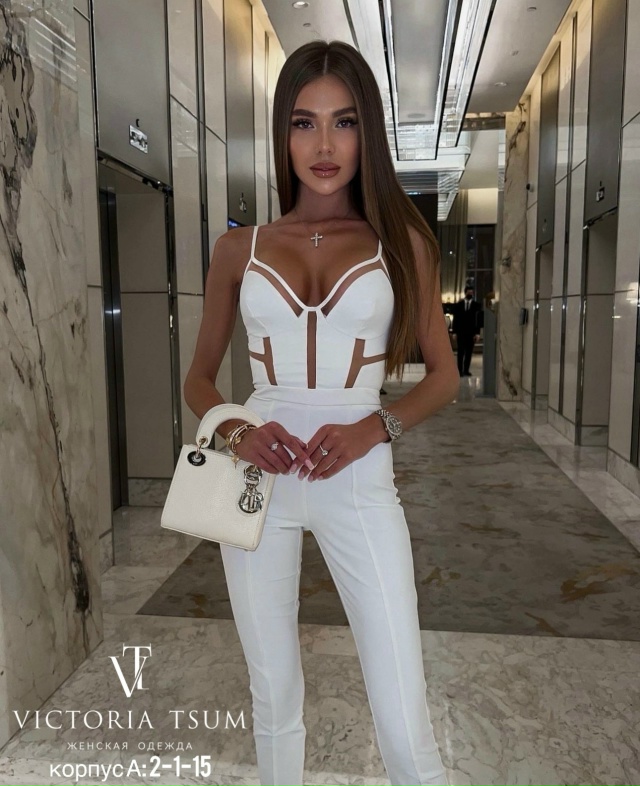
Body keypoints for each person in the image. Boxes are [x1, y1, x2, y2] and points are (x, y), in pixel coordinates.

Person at [184, 39, 458, 786]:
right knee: (272, 693)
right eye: (305, 123)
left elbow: (444, 377)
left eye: (344, 122)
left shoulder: (403, 243)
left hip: (360, 481)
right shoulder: (237, 249)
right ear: (283, 134)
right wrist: (236, 429)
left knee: (401, 704)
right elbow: (199, 379)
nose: (325, 145)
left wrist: (374, 428)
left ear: (367, 133)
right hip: (257, 481)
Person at [451, 285, 481, 376]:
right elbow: (455, 319)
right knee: (460, 352)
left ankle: (466, 370)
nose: (470, 294)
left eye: (471, 292)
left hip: (471, 333)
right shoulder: (459, 305)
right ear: (465, 293)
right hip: (461, 332)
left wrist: (477, 333)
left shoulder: (476, 305)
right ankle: (459, 371)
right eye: (469, 292)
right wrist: (454, 332)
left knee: (469, 353)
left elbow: (478, 321)